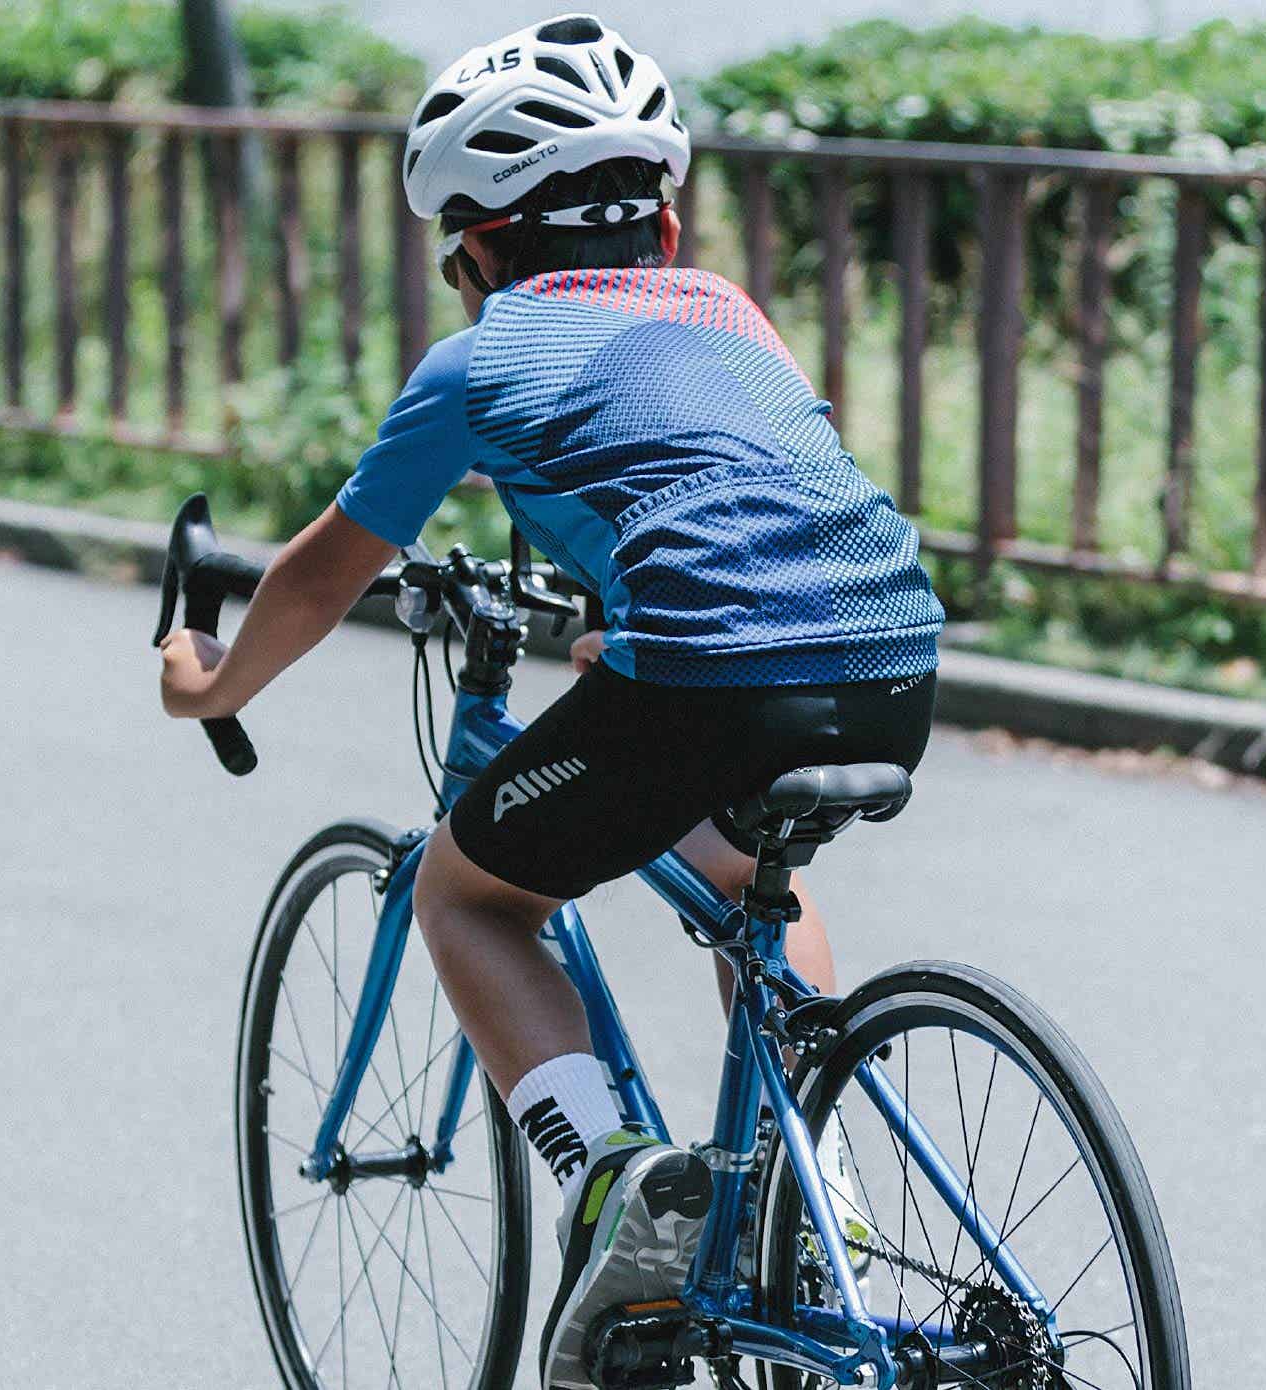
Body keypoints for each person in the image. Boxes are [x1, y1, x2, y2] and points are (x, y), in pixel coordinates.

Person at [159, 13, 944, 1387]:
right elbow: (742, 511)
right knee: (750, 864)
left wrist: (208, 679)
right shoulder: (732, 317)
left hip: (706, 673)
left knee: (469, 891)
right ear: (667, 217)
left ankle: (613, 1179)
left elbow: (324, 574)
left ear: (478, 241)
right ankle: (823, 1182)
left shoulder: (482, 359)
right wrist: (641, 641)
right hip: (893, 651)